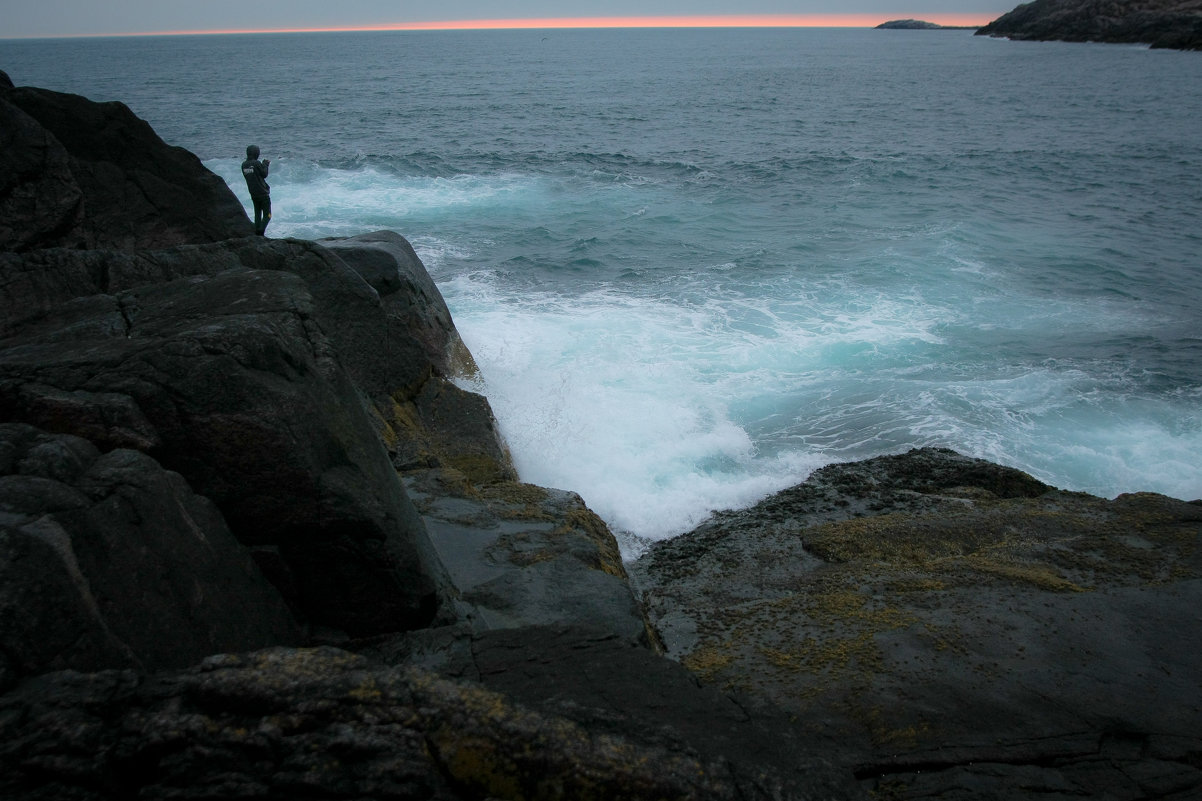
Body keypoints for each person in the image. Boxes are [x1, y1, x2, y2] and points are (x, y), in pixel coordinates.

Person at [241, 145, 272, 235]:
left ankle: (256, 231)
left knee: (257, 214)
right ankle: (260, 231)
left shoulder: (243, 165)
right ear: (256, 153)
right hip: (263, 194)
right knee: (267, 215)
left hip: (253, 194)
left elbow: (253, 174)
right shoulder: (257, 163)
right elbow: (264, 174)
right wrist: (265, 164)